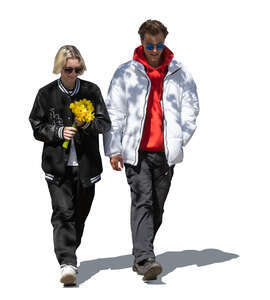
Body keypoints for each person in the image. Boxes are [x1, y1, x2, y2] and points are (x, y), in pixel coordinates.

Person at [103, 20, 199, 281]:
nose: (154, 50)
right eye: (149, 45)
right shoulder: (126, 73)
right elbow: (114, 112)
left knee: (157, 207)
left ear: (164, 41)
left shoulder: (180, 73)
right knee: (142, 200)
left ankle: (141, 253)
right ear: (141, 42)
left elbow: (191, 109)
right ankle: (145, 258)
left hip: (166, 154)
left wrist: (179, 140)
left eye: (158, 45)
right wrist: (114, 149)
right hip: (137, 151)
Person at [29, 45, 111, 285]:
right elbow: (36, 126)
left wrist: (86, 124)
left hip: (87, 166)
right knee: (63, 213)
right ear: (59, 68)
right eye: (68, 69)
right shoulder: (46, 94)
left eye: (78, 69)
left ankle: (69, 253)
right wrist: (57, 131)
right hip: (57, 167)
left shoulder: (91, 90)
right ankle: (67, 263)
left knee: (79, 215)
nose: (73, 74)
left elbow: (104, 122)